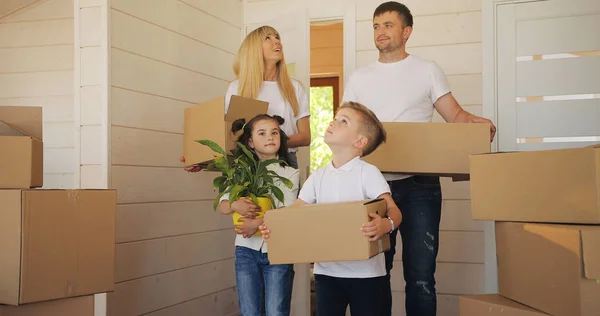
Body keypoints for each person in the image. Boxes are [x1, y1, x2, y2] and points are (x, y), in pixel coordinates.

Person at [341, 2, 497, 315]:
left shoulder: (427, 70)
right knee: (375, 274)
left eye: (387, 25)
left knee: (421, 277)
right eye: (375, 26)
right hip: (372, 186)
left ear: (406, 31)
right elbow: (346, 126)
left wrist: (478, 126)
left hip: (420, 187)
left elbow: (455, 115)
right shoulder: (360, 76)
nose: (380, 32)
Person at [260, 102, 403, 316]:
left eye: (343, 121)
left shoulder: (368, 173)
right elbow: (295, 212)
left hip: (367, 276)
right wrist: (273, 226)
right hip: (327, 274)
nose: (333, 122)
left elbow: (394, 210)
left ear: (359, 141)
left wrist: (386, 224)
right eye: (335, 118)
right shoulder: (317, 177)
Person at [182, 25, 310, 171]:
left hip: (285, 161)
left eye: (277, 37)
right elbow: (228, 136)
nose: (276, 42)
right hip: (246, 165)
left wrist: (270, 141)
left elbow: (305, 137)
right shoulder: (237, 87)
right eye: (268, 38)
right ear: (254, 49)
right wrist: (200, 159)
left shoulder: (295, 87)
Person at [218, 114, 300, 316]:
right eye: (262, 133)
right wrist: (236, 205)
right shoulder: (239, 172)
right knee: (250, 311)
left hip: (278, 249)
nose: (270, 137)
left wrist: (256, 223)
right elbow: (223, 206)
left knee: (276, 311)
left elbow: (287, 211)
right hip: (246, 251)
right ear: (250, 142)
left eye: (274, 133)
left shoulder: (290, 173)